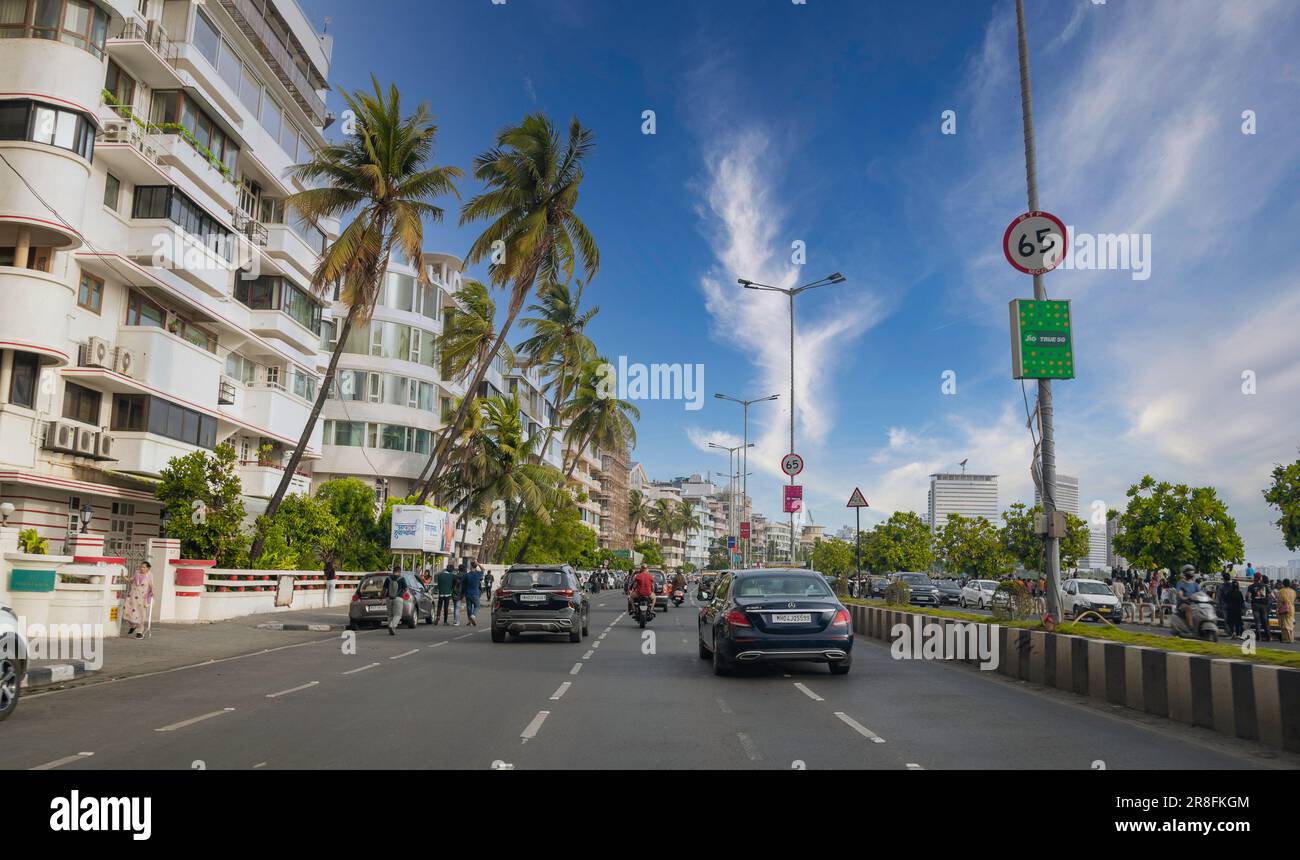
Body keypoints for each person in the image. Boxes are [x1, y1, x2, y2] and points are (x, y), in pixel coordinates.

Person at [123, 561, 154, 640]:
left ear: (148, 568)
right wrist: (123, 576)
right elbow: (130, 580)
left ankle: (140, 632)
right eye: (141, 567)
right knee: (130, 611)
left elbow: (152, 587)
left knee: (141, 614)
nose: (142, 568)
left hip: (142, 599)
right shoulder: (137, 574)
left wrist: (151, 595)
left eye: (144, 567)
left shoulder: (149, 576)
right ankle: (133, 626)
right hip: (133, 597)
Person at [1247, 573, 1271, 642]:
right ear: (1260, 578)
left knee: (1257, 622)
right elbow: (1269, 596)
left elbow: (1248, 596)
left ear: (1254, 578)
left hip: (1255, 605)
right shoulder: (1265, 586)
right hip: (1264, 606)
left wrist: (1249, 600)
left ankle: (1259, 637)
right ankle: (1268, 637)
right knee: (1265, 621)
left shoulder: (1251, 586)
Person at [383, 564, 405, 636]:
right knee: (398, 615)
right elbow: (405, 589)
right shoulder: (401, 579)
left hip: (388, 598)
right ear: (399, 571)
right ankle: (392, 626)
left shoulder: (388, 579)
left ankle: (391, 629)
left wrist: (382, 597)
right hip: (398, 598)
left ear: (393, 571)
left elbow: (384, 589)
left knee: (390, 614)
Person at [462, 561, 484, 627]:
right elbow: (483, 569)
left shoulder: (466, 575)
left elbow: (463, 583)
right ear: (476, 566)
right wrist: (478, 563)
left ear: (470, 567)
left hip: (468, 593)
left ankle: (470, 621)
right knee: (477, 606)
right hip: (475, 593)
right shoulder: (478, 574)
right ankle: (473, 616)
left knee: (469, 608)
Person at [1277, 579, 1296, 643]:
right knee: (1290, 623)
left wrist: (1278, 609)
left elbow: (1279, 601)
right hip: (1292, 608)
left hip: (1285, 608)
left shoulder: (1281, 591)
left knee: (1285, 624)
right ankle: (1292, 638)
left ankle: (1288, 639)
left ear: (1283, 584)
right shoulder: (1293, 591)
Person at [451, 561, 466, 626]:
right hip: (460, 593)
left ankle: (455, 620)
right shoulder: (465, 576)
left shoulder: (455, 576)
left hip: (454, 592)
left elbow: (452, 585)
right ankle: (456, 621)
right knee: (457, 607)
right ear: (464, 569)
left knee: (455, 607)